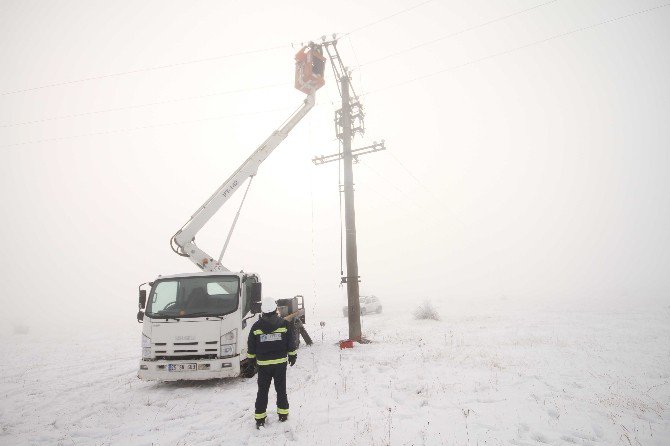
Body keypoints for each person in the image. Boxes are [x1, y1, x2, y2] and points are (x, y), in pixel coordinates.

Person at [247, 297, 298, 428]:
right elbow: (290, 342)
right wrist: (292, 356)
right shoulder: (284, 324)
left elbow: (251, 346)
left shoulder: (256, 327)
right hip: (280, 364)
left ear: (263, 310)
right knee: (281, 389)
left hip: (263, 365)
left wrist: (251, 362)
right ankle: (283, 414)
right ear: (275, 309)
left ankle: (260, 418)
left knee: (262, 391)